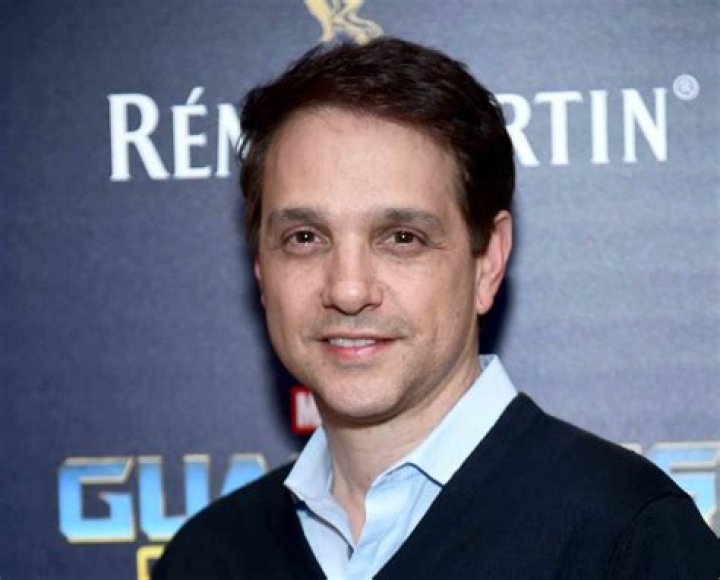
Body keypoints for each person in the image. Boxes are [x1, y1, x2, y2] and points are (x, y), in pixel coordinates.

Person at [153, 38, 719, 579]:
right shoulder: (208, 558)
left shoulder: (626, 537)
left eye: (402, 238)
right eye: (304, 237)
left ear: (487, 261)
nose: (348, 289)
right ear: (261, 268)